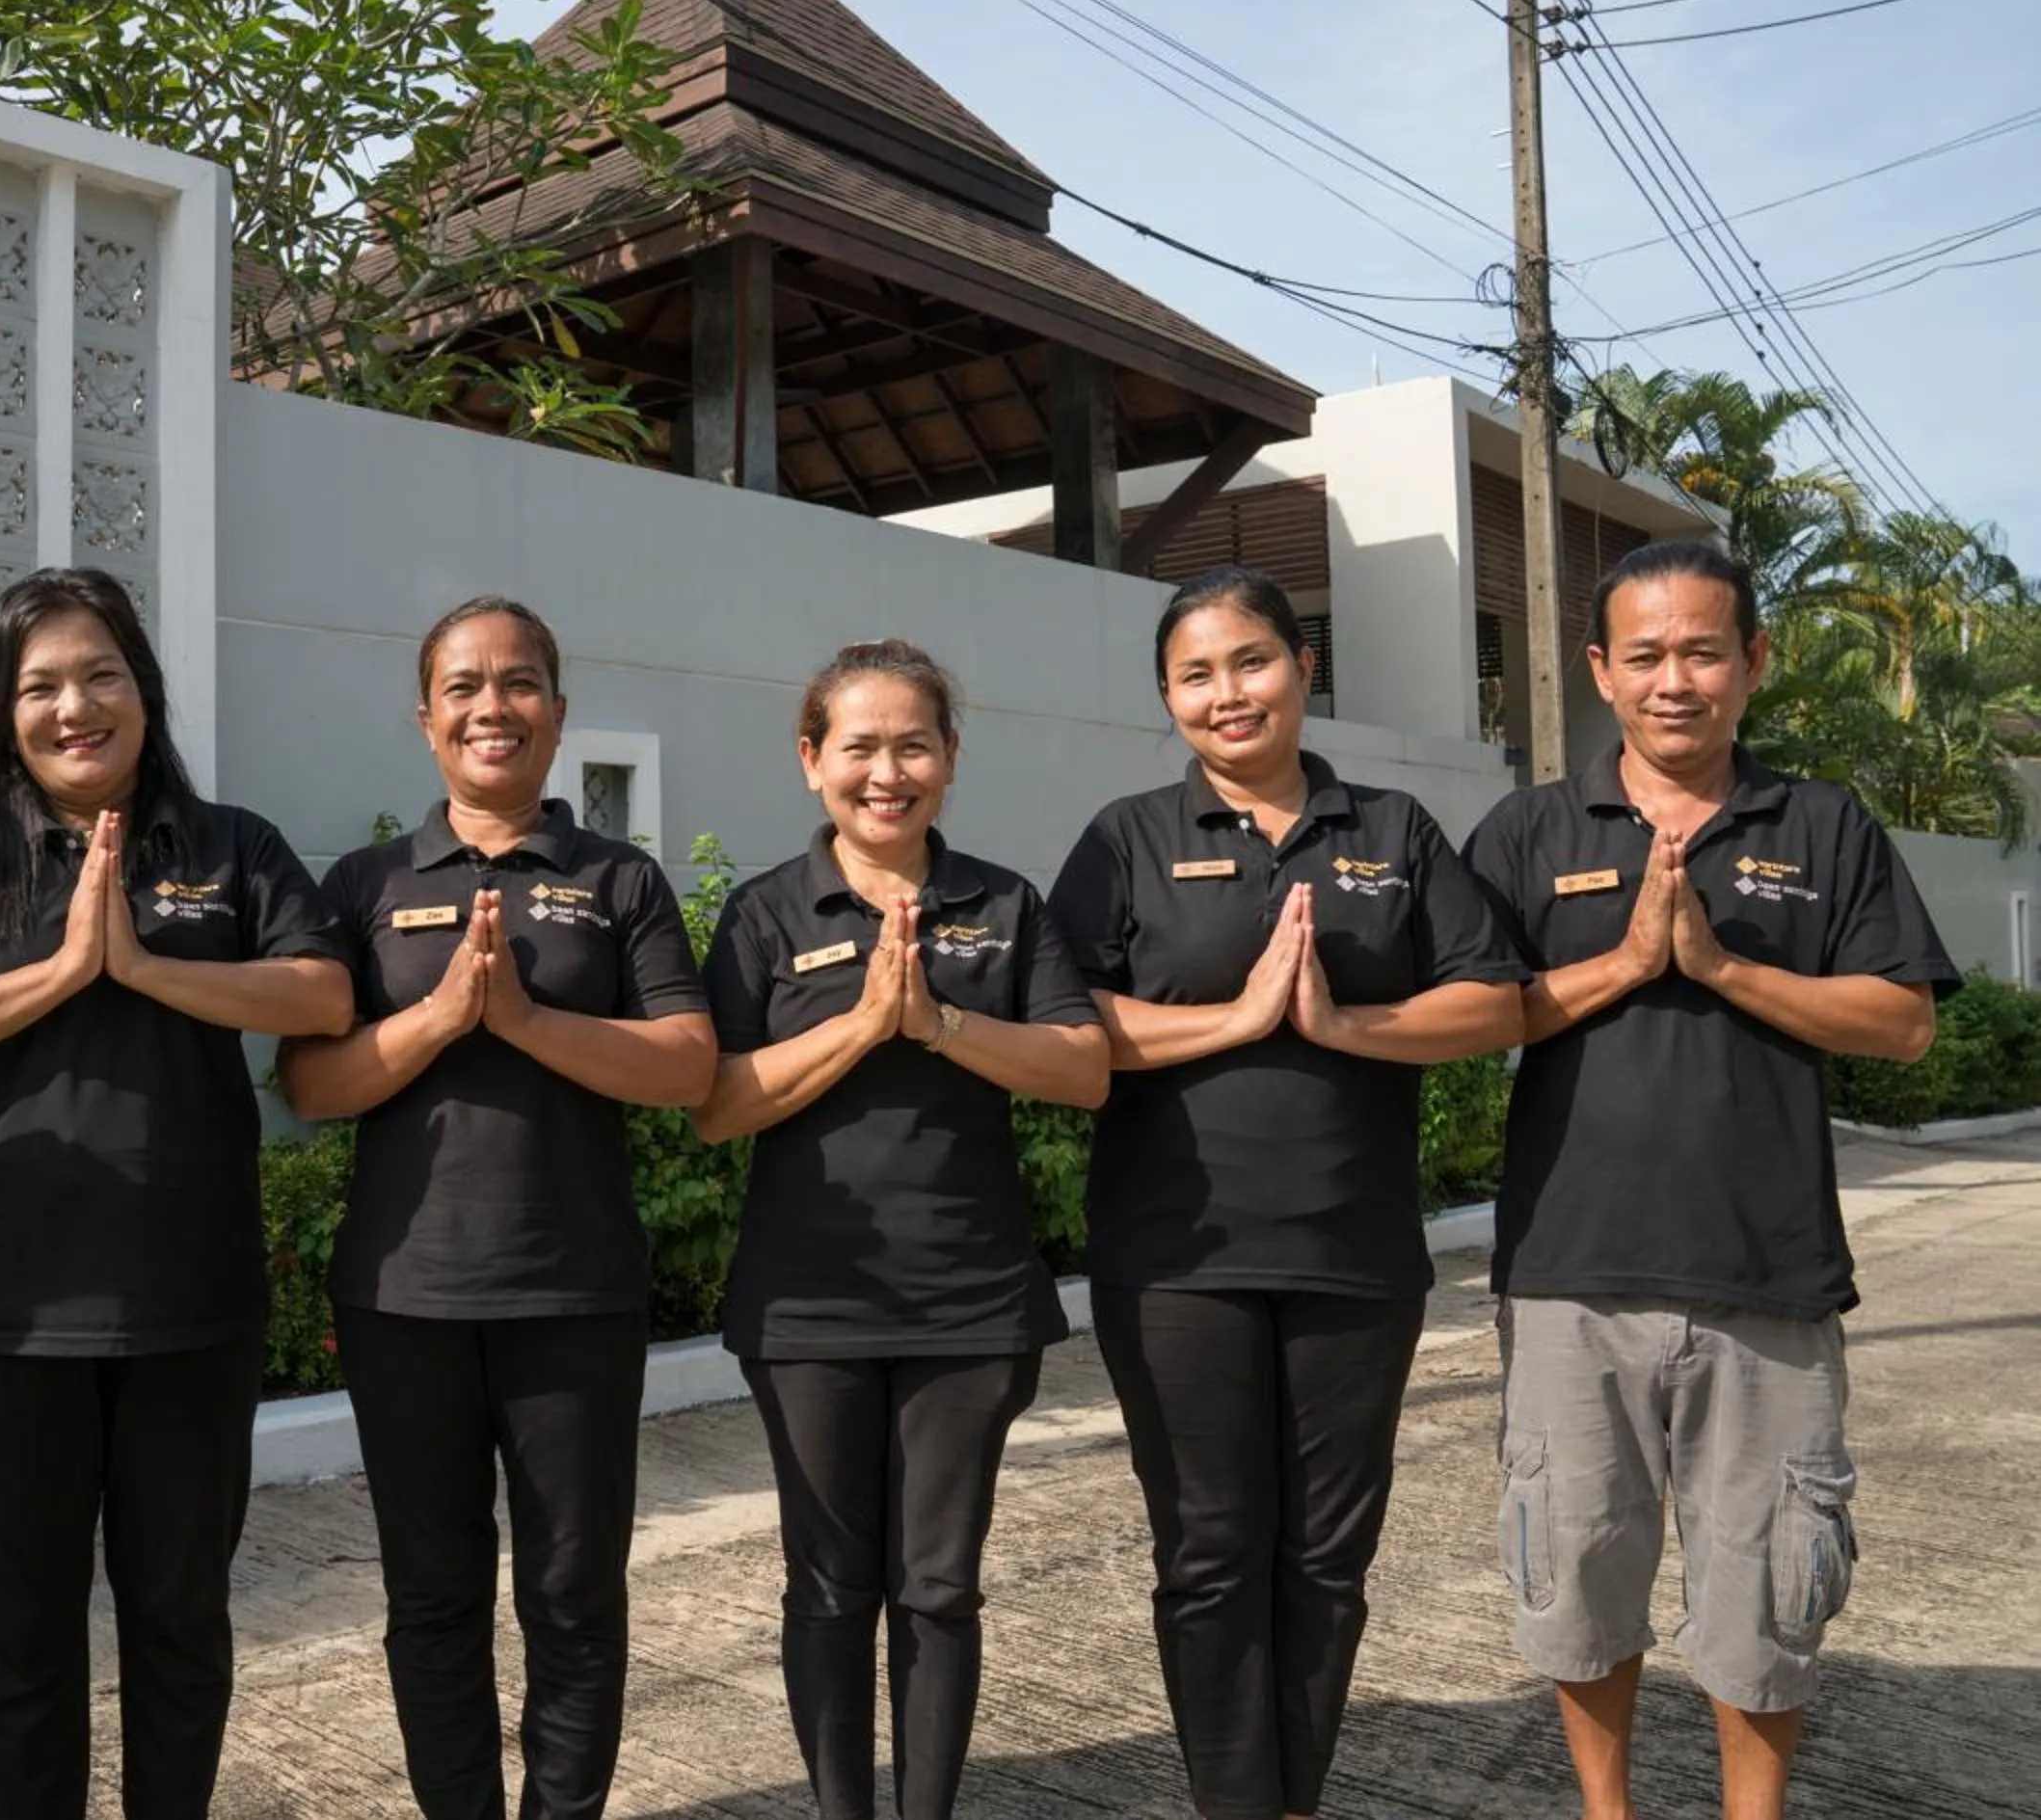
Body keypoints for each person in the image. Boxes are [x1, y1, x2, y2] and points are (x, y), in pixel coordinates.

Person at [0, 568, 352, 1820]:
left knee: (181, 1618)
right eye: (40, 685)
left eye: (100, 673)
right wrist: (63, 972)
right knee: (19, 1631)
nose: (74, 705)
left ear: (144, 688)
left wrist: (148, 965)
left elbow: (322, 992)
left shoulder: (231, 847)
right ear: (1, 712)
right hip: (3, 1314)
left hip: (191, 1305)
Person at [1461, 540, 1949, 1820]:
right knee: (1576, 1570)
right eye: (1645, 655)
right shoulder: (1527, 830)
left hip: (1767, 1272)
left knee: (1769, 1581)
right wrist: (1627, 963)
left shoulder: (1822, 824)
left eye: (1702, 651)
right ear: (1599, 670)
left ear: (1753, 660)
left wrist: (1725, 968)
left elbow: (1903, 1021)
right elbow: (1471, 1015)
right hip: (1571, 1270)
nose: (1674, 679)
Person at [1046, 564, 1527, 1820]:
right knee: (1210, 1553)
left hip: (1352, 1257)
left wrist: (1342, 1022)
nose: (1228, 692)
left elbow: (1492, 1000)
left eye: (1251, 660)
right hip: (1175, 1262)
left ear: (1303, 667)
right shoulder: (1126, 837)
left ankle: (1296, 1800)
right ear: (1167, 697)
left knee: (1326, 1556)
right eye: (1195, 674)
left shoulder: (1393, 829)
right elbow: (1062, 1021)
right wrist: (1238, 1017)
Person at [276, 596, 716, 1820]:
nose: (492, 706)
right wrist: (438, 1018)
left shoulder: (618, 877)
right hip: (402, 1294)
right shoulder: (364, 882)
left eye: (519, 683)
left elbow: (687, 1064)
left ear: (558, 715)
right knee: (432, 1594)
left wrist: (524, 1020)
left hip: (575, 1293)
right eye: (463, 686)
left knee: (573, 1593)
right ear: (425, 719)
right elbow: (310, 1084)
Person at [690, 639, 1108, 1820]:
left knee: (938, 1585)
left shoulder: (1002, 904)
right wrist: (866, 1024)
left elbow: (1083, 1069)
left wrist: (939, 1025)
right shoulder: (766, 911)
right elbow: (717, 1104)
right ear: (811, 759)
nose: (887, 772)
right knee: (828, 1585)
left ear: (951, 757)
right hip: (807, 1304)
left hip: (969, 1304)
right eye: (860, 747)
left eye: (913, 745)